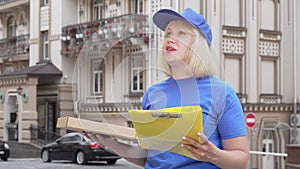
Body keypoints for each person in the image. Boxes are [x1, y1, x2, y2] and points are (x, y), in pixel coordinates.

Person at [86, 8, 249, 169]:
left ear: (198, 44)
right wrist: (111, 143)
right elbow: (149, 158)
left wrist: (213, 155)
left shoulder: (222, 93)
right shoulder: (152, 93)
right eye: (168, 34)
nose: (170, 39)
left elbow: (241, 159)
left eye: (181, 33)